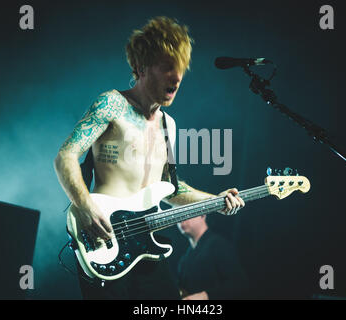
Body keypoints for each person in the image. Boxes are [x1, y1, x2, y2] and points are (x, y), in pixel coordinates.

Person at [53, 16, 245, 300]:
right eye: (167, 67)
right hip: (104, 243)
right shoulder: (112, 103)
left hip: (147, 249)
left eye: (179, 68)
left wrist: (215, 200)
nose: (177, 77)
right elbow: (65, 156)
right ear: (140, 68)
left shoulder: (170, 125)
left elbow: (171, 188)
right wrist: (84, 206)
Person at [177, 215, 250, 300]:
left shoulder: (219, 245)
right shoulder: (184, 260)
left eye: (187, 214)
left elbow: (240, 285)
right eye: (177, 216)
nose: (181, 220)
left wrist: (205, 296)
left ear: (202, 215)